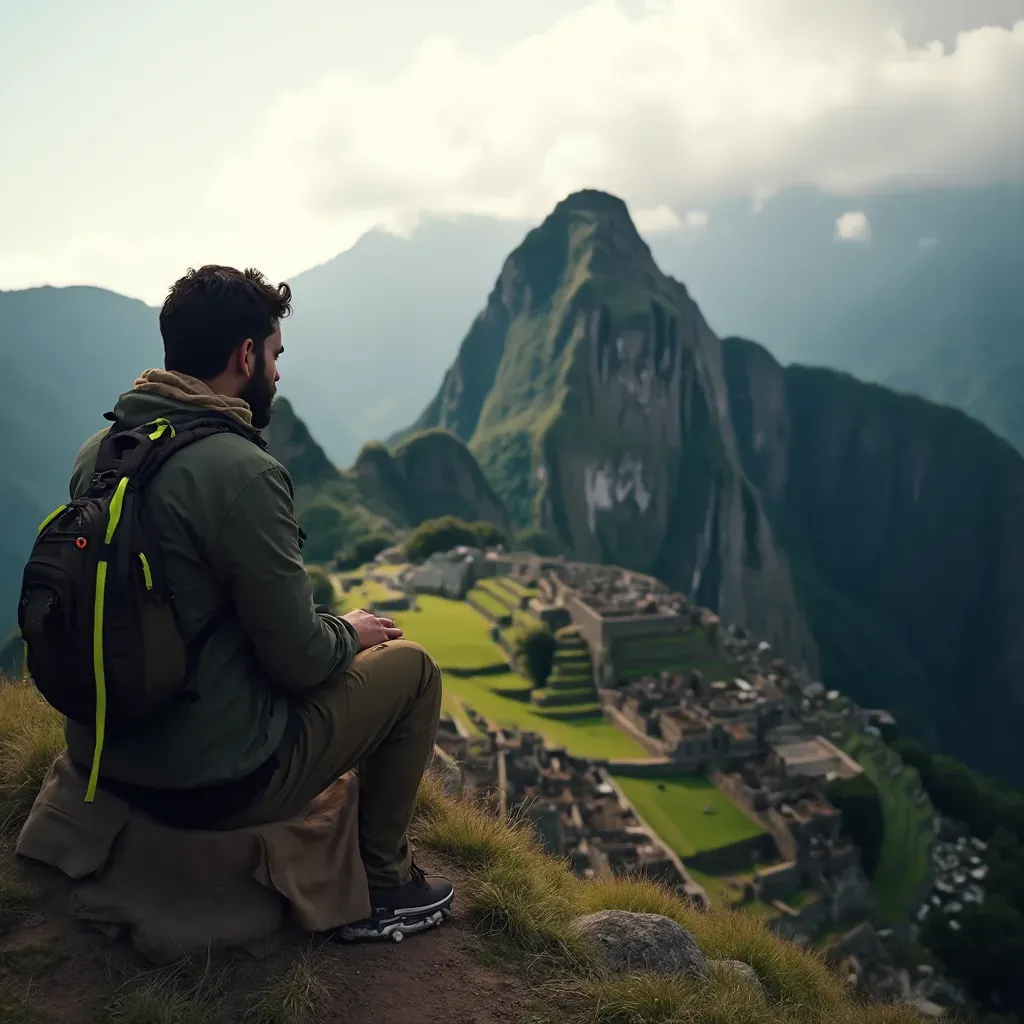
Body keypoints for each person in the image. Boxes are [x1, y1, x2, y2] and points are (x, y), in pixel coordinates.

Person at [63, 264, 453, 938]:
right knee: (414, 670)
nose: (276, 373)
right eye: (274, 355)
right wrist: (346, 632)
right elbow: (300, 660)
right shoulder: (243, 473)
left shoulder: (100, 452)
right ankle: (386, 884)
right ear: (246, 355)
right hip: (214, 782)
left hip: (103, 754)